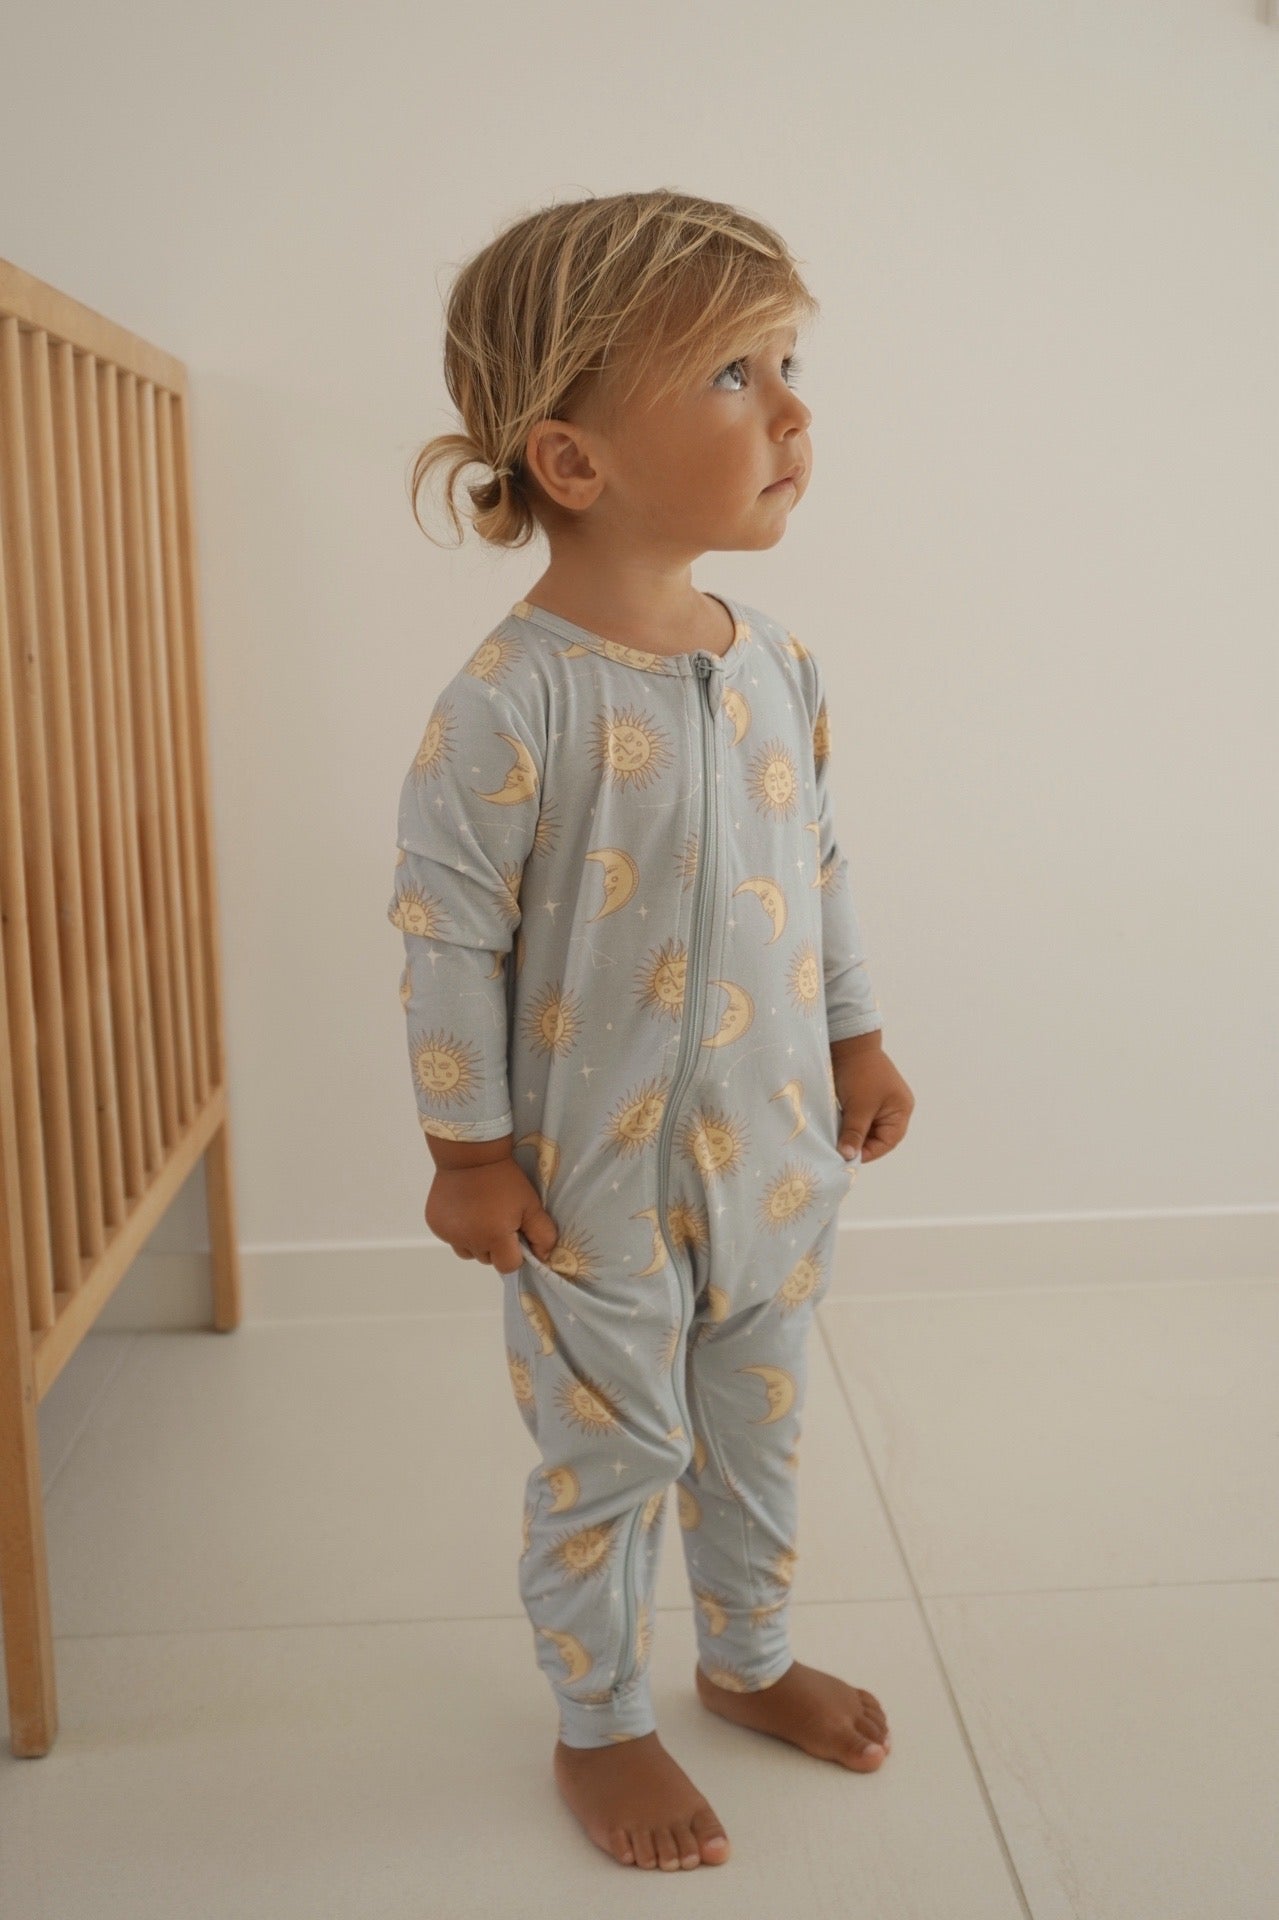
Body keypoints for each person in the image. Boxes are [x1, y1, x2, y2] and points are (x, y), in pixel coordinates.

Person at [387, 188, 915, 1872]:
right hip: (587, 1187)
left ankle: (745, 1658)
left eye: (786, 362)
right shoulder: (509, 698)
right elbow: (446, 933)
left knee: (759, 1423)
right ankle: (601, 1720)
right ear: (573, 458)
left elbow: (811, 868)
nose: (791, 411)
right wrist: (468, 1149)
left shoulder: (781, 668)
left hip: (768, 1162)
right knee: (612, 1455)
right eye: (734, 378)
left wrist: (854, 1035)